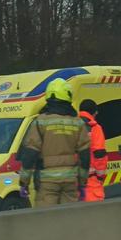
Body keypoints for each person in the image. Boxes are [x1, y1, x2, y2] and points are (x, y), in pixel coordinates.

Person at [19, 78, 90, 206]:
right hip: (70, 180)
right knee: (69, 219)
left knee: (47, 221)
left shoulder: (40, 122)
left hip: (46, 182)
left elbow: (30, 154)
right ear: (68, 96)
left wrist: (24, 182)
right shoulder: (77, 122)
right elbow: (85, 156)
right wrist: (82, 182)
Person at [78, 99, 108, 201]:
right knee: (95, 214)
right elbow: (99, 153)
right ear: (94, 112)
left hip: (72, 182)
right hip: (90, 181)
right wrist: (100, 177)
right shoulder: (94, 128)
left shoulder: (71, 127)